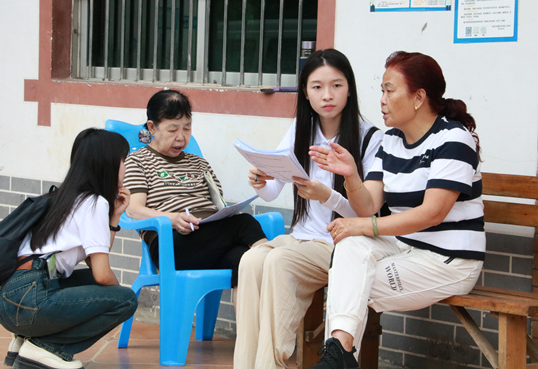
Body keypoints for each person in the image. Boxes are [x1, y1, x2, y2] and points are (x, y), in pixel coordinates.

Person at [308, 51, 485, 369]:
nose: (382, 100)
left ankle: (339, 357)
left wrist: (362, 226)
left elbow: (432, 213)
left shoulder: (454, 139)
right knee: (350, 251)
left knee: (348, 283)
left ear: (418, 97)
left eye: (390, 90)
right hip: (406, 247)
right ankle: (341, 356)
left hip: (449, 260)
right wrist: (351, 176)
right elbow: (369, 206)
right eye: (382, 90)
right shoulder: (391, 140)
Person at [233, 49, 384, 369]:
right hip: (301, 237)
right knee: (250, 261)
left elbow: (366, 215)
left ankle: (270, 364)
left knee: (277, 260)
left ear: (350, 88)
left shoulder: (370, 138)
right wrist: (261, 180)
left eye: (336, 85)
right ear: (305, 92)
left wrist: (326, 195)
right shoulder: (302, 129)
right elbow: (275, 189)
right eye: (317, 87)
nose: (327, 95)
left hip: (338, 244)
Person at [0, 128, 139, 369]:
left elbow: (95, 264)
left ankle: (25, 341)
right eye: (124, 161)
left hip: (9, 298)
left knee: (95, 282)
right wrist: (117, 295)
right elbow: (103, 274)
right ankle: (48, 348)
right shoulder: (93, 202)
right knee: (125, 300)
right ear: (109, 164)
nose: (125, 168)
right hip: (29, 300)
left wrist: (115, 217)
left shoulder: (64, 196)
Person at [123, 89, 267, 291]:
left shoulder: (199, 164)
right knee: (245, 224)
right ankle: (276, 263)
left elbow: (219, 204)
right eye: (173, 130)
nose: (181, 138)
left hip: (210, 240)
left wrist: (229, 214)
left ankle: (252, 323)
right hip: (172, 245)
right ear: (152, 128)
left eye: (187, 129)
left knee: (246, 261)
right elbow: (134, 210)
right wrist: (172, 219)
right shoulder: (138, 161)